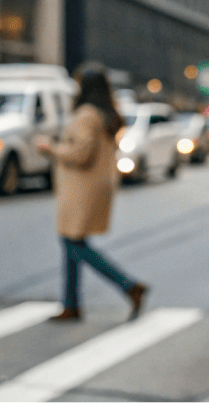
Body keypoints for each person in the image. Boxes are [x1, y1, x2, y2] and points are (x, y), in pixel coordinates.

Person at [36, 64, 148, 322]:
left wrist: (51, 148)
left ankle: (128, 285)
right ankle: (71, 304)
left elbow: (80, 154)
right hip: (95, 185)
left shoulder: (87, 114)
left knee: (73, 244)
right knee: (72, 242)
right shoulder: (106, 114)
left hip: (81, 185)